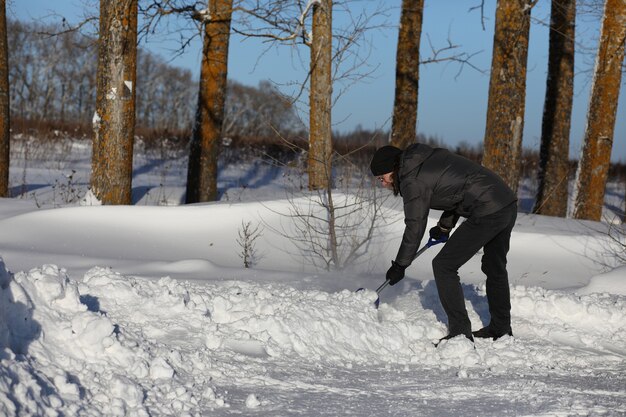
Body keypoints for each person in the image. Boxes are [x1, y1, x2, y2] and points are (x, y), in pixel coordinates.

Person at [370, 143, 517, 345]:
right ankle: (501, 328)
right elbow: (457, 190)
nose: (383, 184)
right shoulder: (424, 160)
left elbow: (414, 226)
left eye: (382, 178)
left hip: (487, 209)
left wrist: (400, 265)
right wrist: (444, 227)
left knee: (444, 265)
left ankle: (459, 333)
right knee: (495, 266)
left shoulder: (411, 179)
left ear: (392, 169)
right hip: (505, 201)